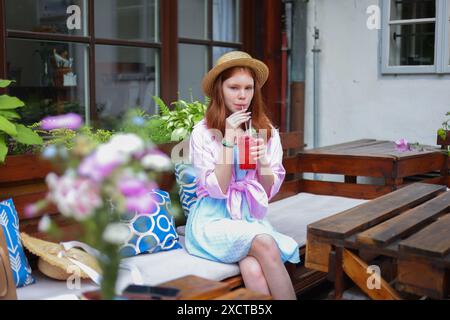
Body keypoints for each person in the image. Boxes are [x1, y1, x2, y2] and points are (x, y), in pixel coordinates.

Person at [185, 51, 299, 300]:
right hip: (212, 220)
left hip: (247, 218)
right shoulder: (203, 133)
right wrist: (227, 140)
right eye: (233, 87)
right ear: (219, 89)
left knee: (253, 268)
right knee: (266, 243)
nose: (242, 96)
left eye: (248, 88)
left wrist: (262, 159)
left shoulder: (266, 130)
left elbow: (270, 189)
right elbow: (218, 189)